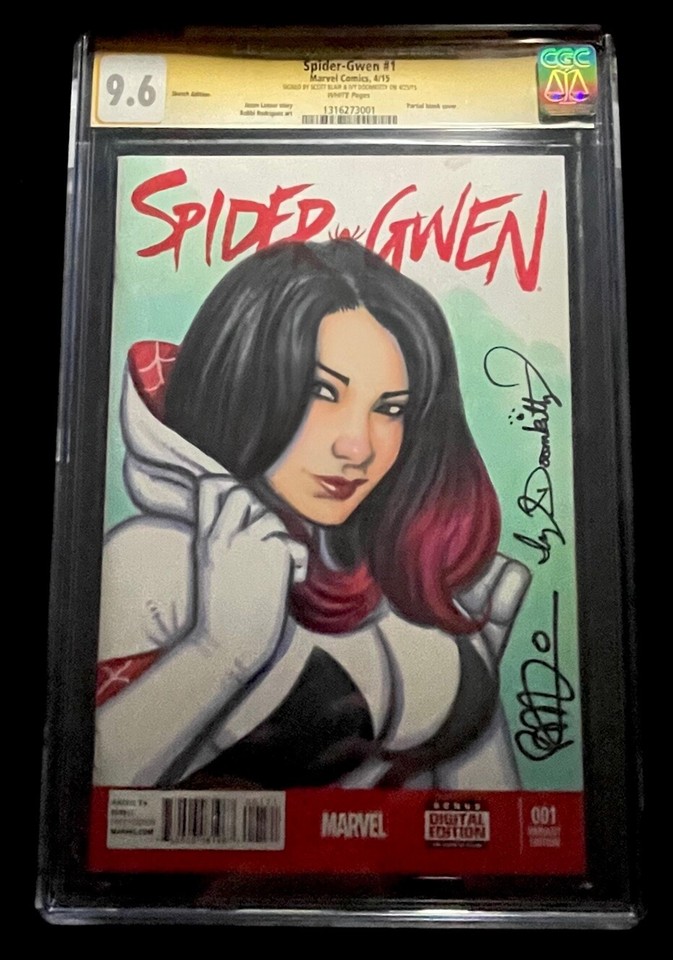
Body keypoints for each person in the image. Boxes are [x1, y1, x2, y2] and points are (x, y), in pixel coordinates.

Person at [94, 239, 530, 790]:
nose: (358, 447)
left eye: (390, 408)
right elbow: (96, 790)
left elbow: (497, 816)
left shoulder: (408, 562)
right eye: (324, 392)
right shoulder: (161, 558)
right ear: (243, 380)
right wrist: (219, 651)